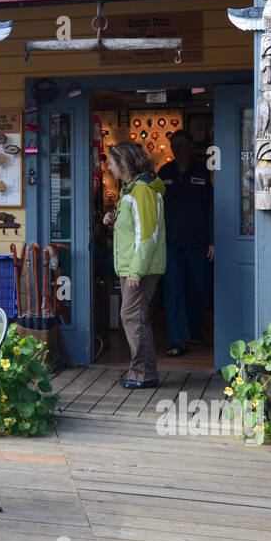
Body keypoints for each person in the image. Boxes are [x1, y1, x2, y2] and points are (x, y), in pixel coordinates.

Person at [103, 142, 166, 389]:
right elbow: (135, 227)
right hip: (133, 266)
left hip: (139, 268)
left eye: (111, 162)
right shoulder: (131, 189)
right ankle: (141, 370)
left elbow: (148, 234)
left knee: (132, 316)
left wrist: (136, 272)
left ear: (124, 163)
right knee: (134, 316)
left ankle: (144, 373)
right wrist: (113, 219)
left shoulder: (142, 191)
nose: (109, 167)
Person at [157, 131, 214, 357]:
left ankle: (195, 329)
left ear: (191, 147)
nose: (177, 149)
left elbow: (213, 207)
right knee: (172, 290)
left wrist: (213, 240)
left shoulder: (204, 171)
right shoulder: (164, 173)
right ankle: (178, 340)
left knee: (198, 289)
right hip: (170, 244)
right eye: (173, 145)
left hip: (198, 243)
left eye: (181, 145)